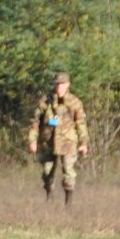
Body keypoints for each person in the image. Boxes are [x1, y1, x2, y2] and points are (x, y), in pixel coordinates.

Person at [27, 71, 89, 206]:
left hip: (68, 143)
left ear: (68, 85)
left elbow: (81, 124)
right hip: (48, 142)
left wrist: (83, 143)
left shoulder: (75, 102)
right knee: (47, 172)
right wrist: (32, 141)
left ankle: (69, 204)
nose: (59, 87)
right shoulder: (45, 102)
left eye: (62, 84)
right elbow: (35, 123)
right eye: (57, 84)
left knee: (69, 172)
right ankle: (49, 198)